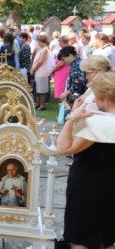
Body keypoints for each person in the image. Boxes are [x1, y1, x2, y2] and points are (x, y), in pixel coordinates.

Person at [56, 70, 115, 249]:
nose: (94, 100)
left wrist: (72, 118)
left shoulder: (99, 123)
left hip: (88, 187)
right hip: (111, 187)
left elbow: (63, 147)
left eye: (96, 96)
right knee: (106, 238)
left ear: (105, 96)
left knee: (81, 240)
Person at [31, 33, 50, 110]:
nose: (38, 43)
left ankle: (42, 105)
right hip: (38, 72)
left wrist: (34, 69)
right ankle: (38, 103)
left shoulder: (45, 50)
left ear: (42, 41)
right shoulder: (40, 49)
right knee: (38, 89)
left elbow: (40, 62)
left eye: (39, 41)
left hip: (42, 71)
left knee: (42, 90)